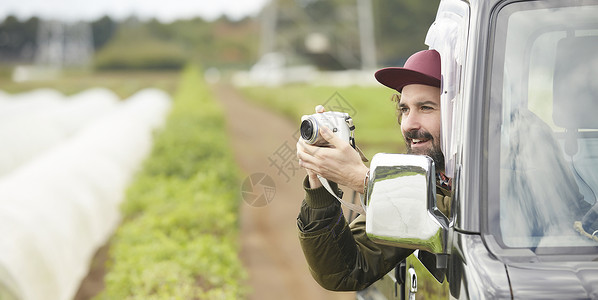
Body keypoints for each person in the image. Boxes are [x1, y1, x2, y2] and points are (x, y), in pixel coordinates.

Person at [295, 49, 451, 291]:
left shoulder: (503, 169)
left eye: (426, 108)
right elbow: (344, 271)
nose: (409, 124)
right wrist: (320, 181)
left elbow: (466, 218)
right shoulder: (422, 177)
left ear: (460, 113)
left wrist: (366, 181)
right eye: (405, 109)